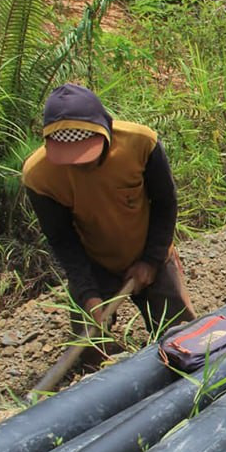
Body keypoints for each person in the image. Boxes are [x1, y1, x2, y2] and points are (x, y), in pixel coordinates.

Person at [22, 83, 196, 339]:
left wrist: (150, 260)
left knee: (185, 340)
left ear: (106, 132)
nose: (80, 165)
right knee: (90, 349)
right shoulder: (40, 177)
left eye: (86, 155)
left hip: (149, 249)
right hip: (95, 263)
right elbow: (62, 240)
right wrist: (87, 293)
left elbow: (165, 204)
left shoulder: (140, 144)